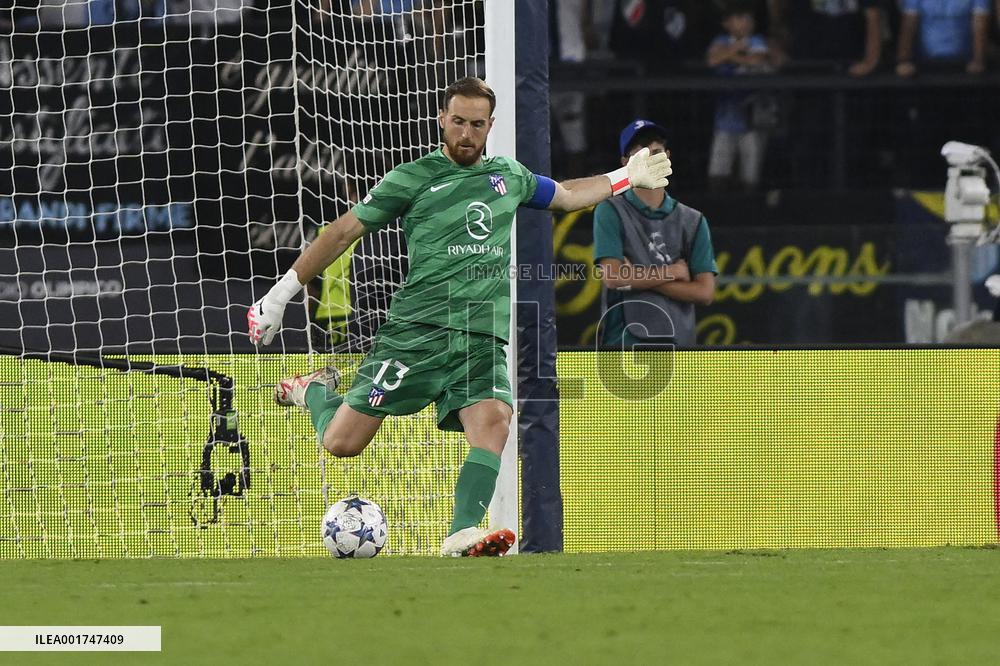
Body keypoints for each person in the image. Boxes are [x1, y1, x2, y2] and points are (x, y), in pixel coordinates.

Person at [247, 77, 671, 557]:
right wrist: (280, 296)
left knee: (494, 420)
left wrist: (625, 178)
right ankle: (313, 390)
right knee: (343, 443)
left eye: (477, 124)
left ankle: (461, 532)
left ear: (490, 126)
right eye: (458, 122)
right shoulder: (412, 177)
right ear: (442, 121)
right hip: (415, 333)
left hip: (480, 335)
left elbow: (568, 196)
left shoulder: (508, 177)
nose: (467, 133)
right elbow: (343, 232)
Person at [593, 119, 717, 347]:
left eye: (656, 152)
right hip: (624, 346)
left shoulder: (693, 220)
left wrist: (636, 277)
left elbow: (705, 292)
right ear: (625, 163)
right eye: (641, 155)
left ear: (667, 157)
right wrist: (673, 271)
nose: (650, 160)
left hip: (680, 347)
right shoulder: (610, 210)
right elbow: (613, 277)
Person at [705, 3, 775, 191]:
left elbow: (756, 59)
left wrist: (728, 55)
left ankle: (749, 209)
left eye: (748, 19)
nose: (745, 23)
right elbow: (712, 60)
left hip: (752, 118)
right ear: (727, 23)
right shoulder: (720, 40)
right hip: (725, 116)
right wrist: (737, 49)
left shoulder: (757, 41)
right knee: (718, 171)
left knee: (750, 172)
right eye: (739, 18)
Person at [896, 0, 990, 76]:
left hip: (965, 64)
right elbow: (909, 25)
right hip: (924, 64)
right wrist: (904, 61)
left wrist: (979, 60)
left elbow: (980, 24)